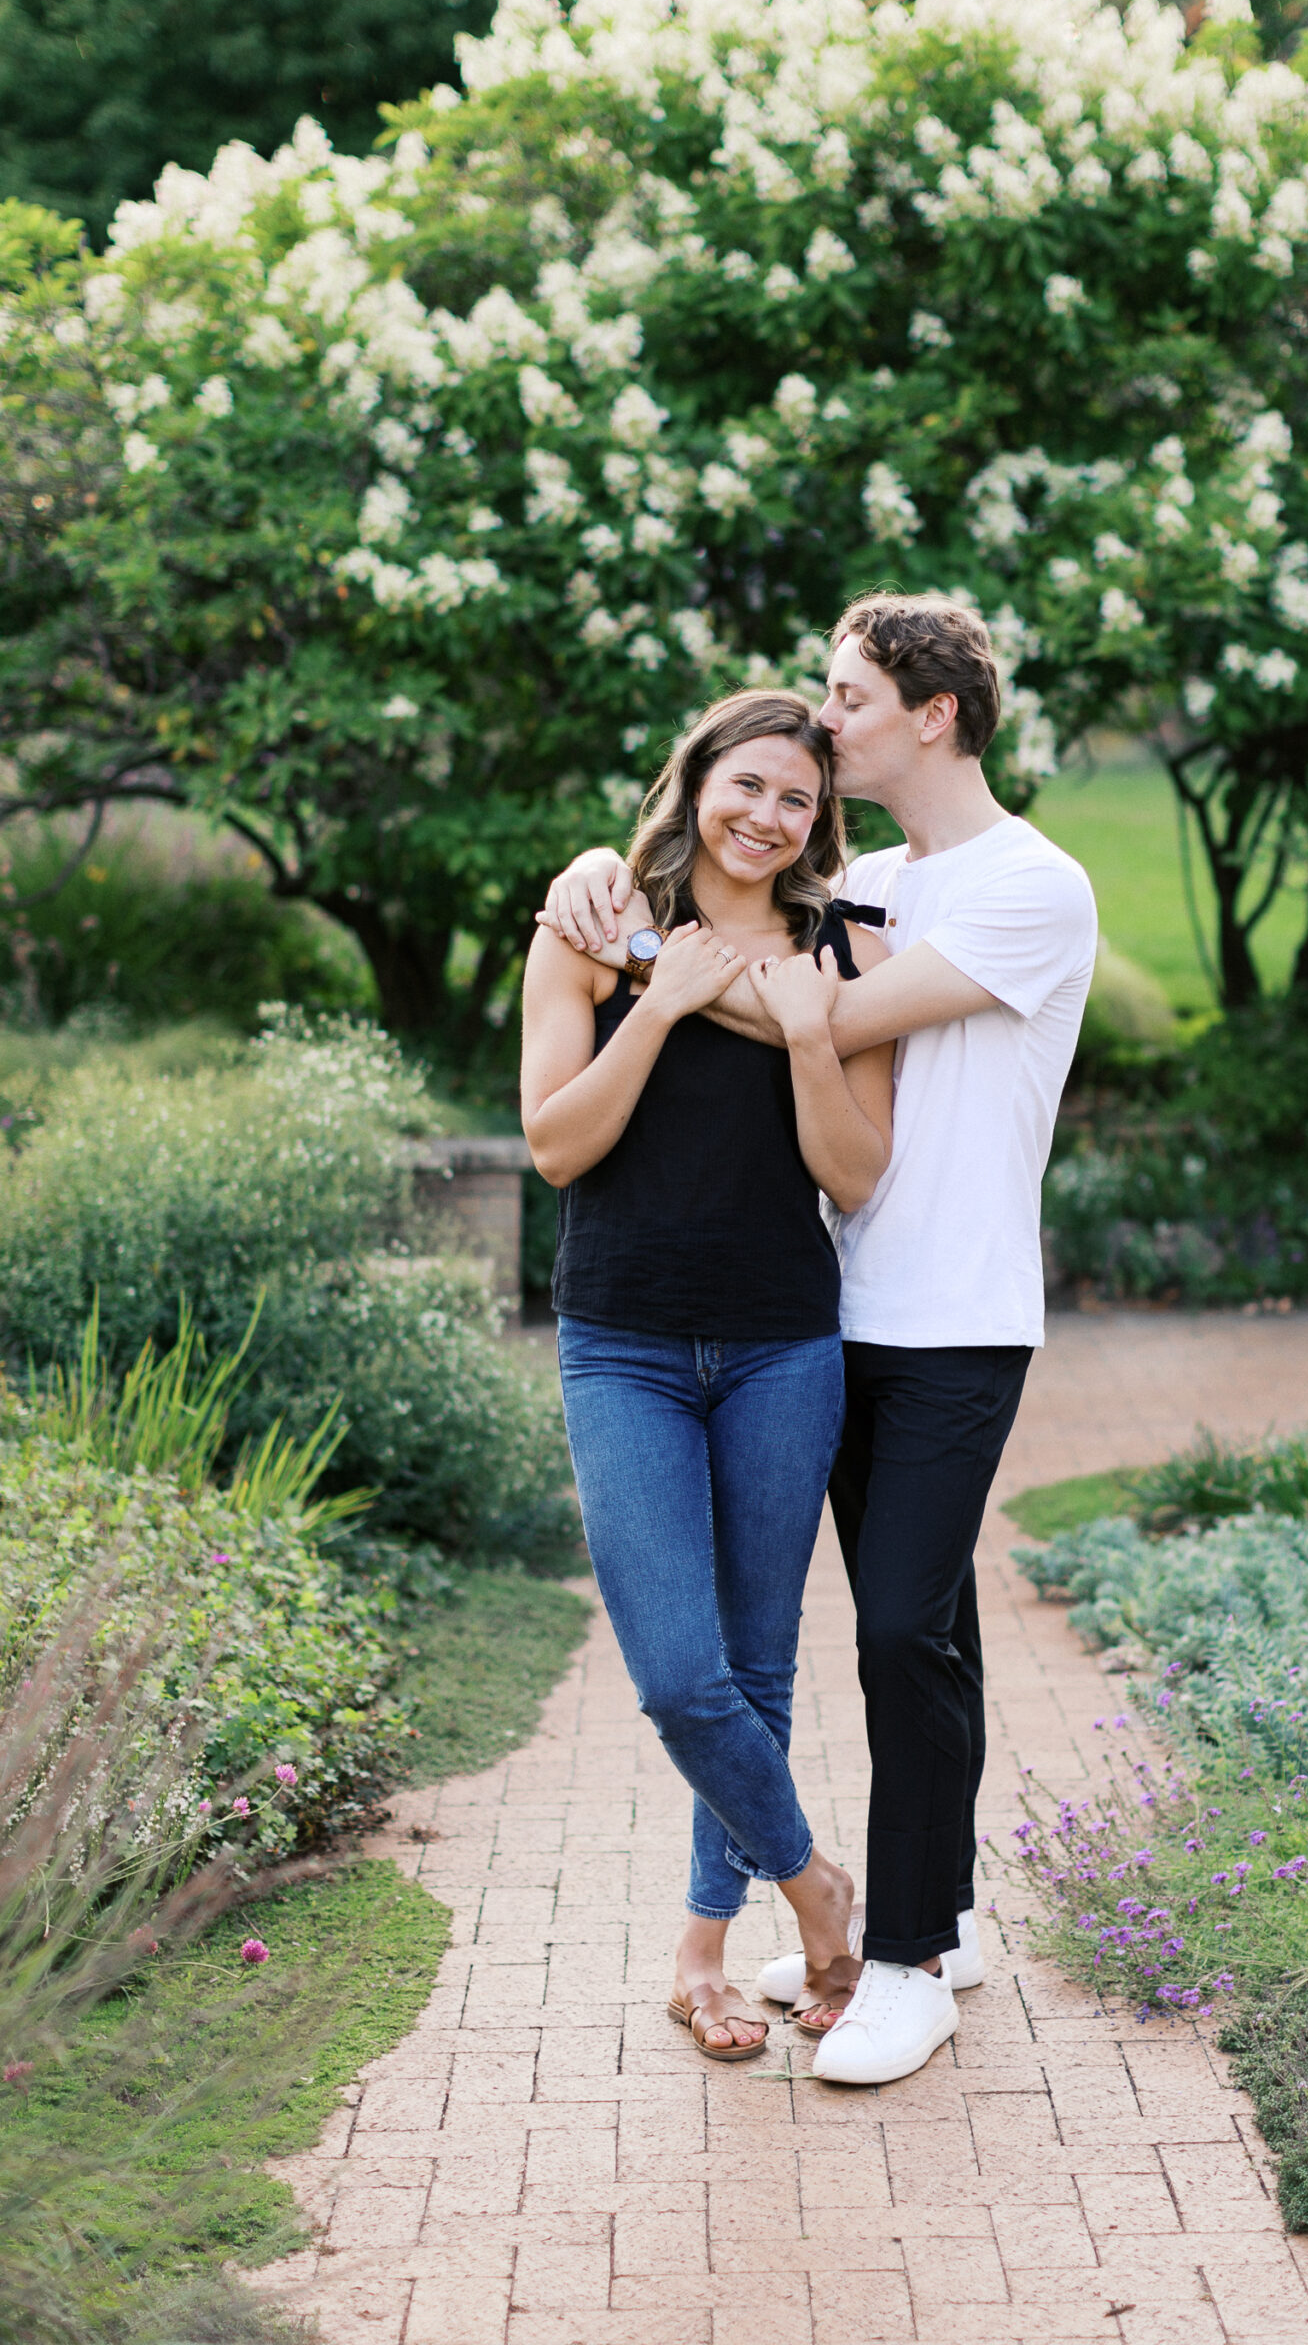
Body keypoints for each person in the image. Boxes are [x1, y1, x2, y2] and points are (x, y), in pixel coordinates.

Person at [541, 593, 1098, 2086]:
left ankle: (901, 1953)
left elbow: (819, 1020)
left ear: (931, 714)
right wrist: (617, 890)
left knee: (902, 1628)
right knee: (924, 1635)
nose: (821, 724)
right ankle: (947, 1913)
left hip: (954, 1314)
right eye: (783, 746)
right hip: (833, 1312)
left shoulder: (1028, 886)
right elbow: (767, 954)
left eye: (845, 701)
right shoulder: (884, 882)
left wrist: (642, 950)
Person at [520, 688, 893, 2061]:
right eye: (746, 784)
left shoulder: (845, 950)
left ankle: (703, 1953)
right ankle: (816, 1887)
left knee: (756, 1663)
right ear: (697, 782)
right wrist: (658, 1009)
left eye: (796, 798)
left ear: (818, 820)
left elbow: (854, 1173)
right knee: (681, 1676)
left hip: (785, 1343)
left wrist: (807, 1029)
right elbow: (556, 1147)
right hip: (622, 1342)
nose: (766, 816)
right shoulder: (595, 926)